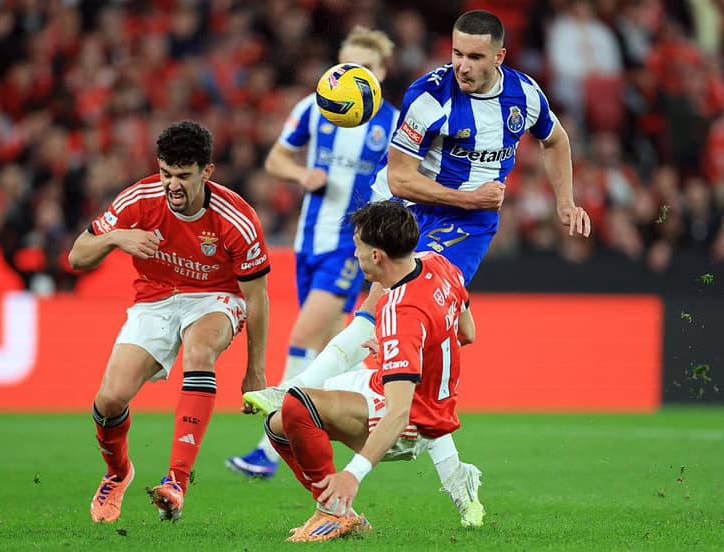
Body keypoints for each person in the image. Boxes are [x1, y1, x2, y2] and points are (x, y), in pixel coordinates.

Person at [244, 9, 591, 527]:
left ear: (499, 56)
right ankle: (437, 464)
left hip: (465, 230)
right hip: (413, 205)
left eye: (474, 56)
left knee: (395, 312)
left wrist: (566, 201)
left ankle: (300, 393)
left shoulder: (525, 95)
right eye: (456, 53)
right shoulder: (429, 96)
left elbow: (556, 140)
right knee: (384, 313)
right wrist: (468, 195)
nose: (462, 65)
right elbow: (402, 178)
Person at [69, 120, 270, 523]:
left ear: (206, 172)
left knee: (199, 350)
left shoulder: (237, 220)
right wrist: (115, 238)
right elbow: (76, 256)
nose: (171, 184)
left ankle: (176, 482)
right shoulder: (139, 200)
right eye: (165, 173)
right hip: (156, 298)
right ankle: (117, 473)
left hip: (216, 298)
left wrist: (255, 371)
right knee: (109, 401)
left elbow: (256, 298)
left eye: (183, 175)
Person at [225, 26, 400, 479]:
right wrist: (302, 176)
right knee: (330, 351)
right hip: (309, 242)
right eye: (346, 66)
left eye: (366, 68)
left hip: (352, 245)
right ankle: (375, 420)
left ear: (380, 75)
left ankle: (268, 445)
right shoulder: (313, 107)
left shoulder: (395, 124)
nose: (352, 76)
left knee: (303, 337)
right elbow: (275, 159)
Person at [264, 200, 478, 542]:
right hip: (419, 398)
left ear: (377, 255)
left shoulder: (398, 310)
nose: (355, 255)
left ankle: (332, 511)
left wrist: (353, 474)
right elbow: (467, 333)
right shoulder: (439, 264)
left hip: (410, 423)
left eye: (358, 247)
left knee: (297, 406)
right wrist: (400, 353)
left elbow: (398, 413)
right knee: (278, 422)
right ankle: (341, 513)